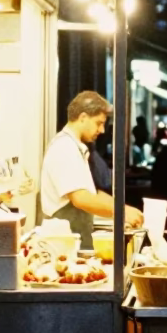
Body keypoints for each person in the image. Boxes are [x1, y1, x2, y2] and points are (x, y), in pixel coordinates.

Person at [40, 90, 143, 246]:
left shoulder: (75, 147)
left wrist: (124, 208)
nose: (101, 130)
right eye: (99, 123)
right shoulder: (64, 147)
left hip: (75, 240)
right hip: (63, 245)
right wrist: (121, 212)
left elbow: (92, 193)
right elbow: (81, 198)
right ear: (83, 118)